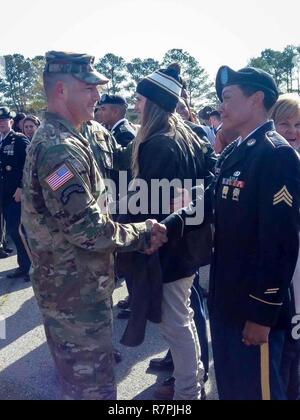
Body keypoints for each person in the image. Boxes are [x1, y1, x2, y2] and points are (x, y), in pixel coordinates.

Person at [21, 51, 167, 401]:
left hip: (73, 288)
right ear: (61, 91)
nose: (97, 97)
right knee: (92, 389)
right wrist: (143, 232)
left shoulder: (69, 139)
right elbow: (88, 229)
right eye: (89, 88)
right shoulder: (59, 150)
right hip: (75, 295)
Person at [163, 66, 300, 400]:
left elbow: (280, 244)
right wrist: (167, 227)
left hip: (253, 310)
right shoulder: (238, 151)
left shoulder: (275, 155)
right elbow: (209, 199)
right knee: (234, 389)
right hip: (226, 302)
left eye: (227, 98)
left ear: (255, 100)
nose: (220, 106)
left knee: (260, 392)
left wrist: (262, 313)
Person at [121, 65, 216, 400]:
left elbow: (148, 204)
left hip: (167, 243)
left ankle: (189, 392)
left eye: (140, 99)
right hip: (188, 241)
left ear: (154, 103)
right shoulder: (189, 134)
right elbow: (205, 187)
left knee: (176, 322)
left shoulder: (159, 143)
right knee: (183, 317)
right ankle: (189, 380)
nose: (136, 105)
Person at [270, 93, 300, 399]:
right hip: (285, 274)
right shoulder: (273, 160)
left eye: (298, 124)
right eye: (284, 124)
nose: (292, 130)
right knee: (286, 353)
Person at [0, 106, 31, 280]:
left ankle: (32, 266)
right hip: (4, 194)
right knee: (13, 232)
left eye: (4, 120)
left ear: (11, 122)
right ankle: (23, 266)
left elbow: (29, 166)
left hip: (16, 194)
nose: (1, 123)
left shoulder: (18, 140)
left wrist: (21, 187)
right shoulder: (1, 140)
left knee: (19, 231)